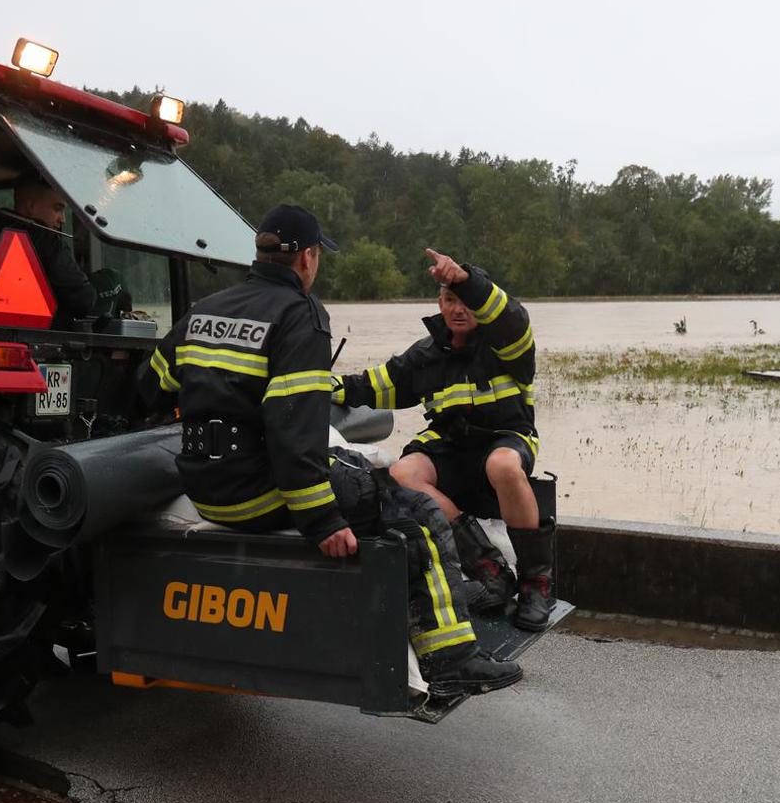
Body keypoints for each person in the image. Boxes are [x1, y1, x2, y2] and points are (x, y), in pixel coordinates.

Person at [139, 205, 521, 696]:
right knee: (418, 513)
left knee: (363, 474)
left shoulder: (205, 310)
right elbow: (293, 428)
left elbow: (150, 388)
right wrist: (322, 520)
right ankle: (451, 657)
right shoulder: (300, 314)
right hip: (259, 493)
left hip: (206, 488)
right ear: (308, 258)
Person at [333, 248, 556, 633]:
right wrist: (318, 386)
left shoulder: (508, 344)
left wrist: (467, 282)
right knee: (402, 473)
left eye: (466, 301)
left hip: (507, 437)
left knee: (501, 465)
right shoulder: (425, 354)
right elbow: (374, 386)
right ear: (440, 303)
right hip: (451, 444)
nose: (458, 309)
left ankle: (536, 585)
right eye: (450, 299)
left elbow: (511, 316)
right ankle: (490, 569)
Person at [0, 173, 95, 329]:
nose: (62, 219)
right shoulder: (47, 241)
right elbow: (82, 300)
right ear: (31, 207)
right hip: (35, 341)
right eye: (57, 208)